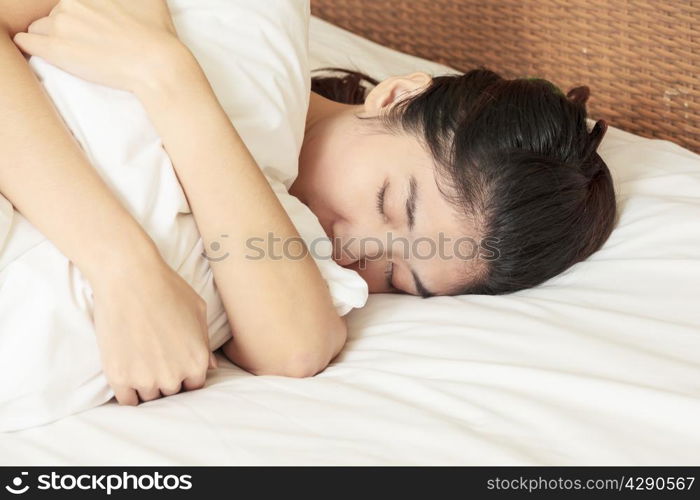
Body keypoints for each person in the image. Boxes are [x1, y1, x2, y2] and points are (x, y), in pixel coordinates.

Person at [1, 0, 615, 404]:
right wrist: (123, 267)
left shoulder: (301, 268)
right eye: (389, 203)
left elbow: (291, 347)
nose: (354, 248)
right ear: (398, 96)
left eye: (396, 274)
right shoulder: (243, 26)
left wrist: (170, 79)